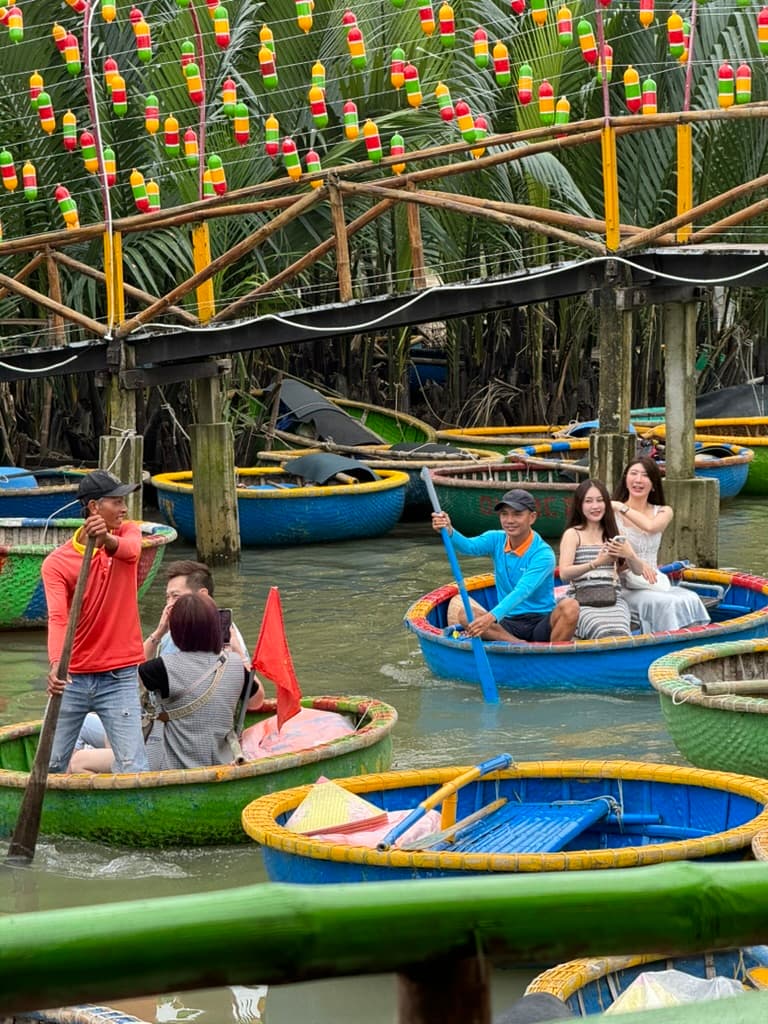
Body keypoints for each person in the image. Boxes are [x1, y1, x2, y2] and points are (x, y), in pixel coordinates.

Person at [72, 593, 252, 773]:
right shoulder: (236, 665)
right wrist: (239, 653)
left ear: (175, 629)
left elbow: (120, 683)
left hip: (168, 762)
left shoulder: (164, 667)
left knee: (79, 761)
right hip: (219, 761)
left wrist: (158, 633)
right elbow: (256, 700)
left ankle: (120, 799)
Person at [43, 470, 149, 773]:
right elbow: (58, 618)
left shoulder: (127, 532)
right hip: (72, 677)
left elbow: (131, 552)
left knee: (133, 766)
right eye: (116, 501)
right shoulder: (57, 564)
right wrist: (55, 664)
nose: (124, 508)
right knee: (51, 764)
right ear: (93, 507)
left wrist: (106, 541)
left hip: (120, 676)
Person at [431, 488, 579, 642]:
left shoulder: (543, 554)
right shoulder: (496, 539)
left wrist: (489, 617)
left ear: (532, 517)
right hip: (508, 624)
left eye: (517, 514)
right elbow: (468, 547)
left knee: (571, 606)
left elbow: (522, 591)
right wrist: (449, 530)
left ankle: (550, 655)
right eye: (504, 514)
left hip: (541, 621)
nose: (509, 520)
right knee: (465, 615)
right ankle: (520, 645)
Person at [611, 455, 710, 633]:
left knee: (691, 598)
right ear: (625, 479)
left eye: (645, 475)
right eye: (633, 474)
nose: (638, 480)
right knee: (668, 603)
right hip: (626, 584)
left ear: (654, 483)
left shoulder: (663, 511)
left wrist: (621, 506)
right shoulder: (612, 516)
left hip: (654, 581)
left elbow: (651, 527)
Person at [558, 479, 632, 639]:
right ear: (580, 505)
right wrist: (595, 563)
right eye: (588, 501)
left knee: (622, 633)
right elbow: (564, 573)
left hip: (613, 599)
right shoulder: (573, 534)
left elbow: (633, 570)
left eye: (600, 500)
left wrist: (630, 555)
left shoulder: (613, 533)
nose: (595, 506)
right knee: (601, 630)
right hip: (582, 601)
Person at [143, 559, 249, 664]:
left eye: (175, 596)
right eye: (167, 597)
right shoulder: (171, 630)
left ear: (202, 595)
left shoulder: (226, 635)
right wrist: (159, 633)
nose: (169, 604)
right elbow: (135, 671)